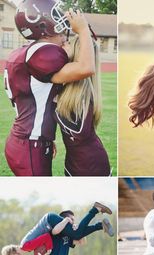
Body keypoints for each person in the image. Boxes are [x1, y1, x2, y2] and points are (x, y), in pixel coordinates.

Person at [4, 0, 95, 176]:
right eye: (55, 17)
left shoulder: (24, 52)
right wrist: (83, 30)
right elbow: (86, 68)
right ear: (42, 25)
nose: (63, 32)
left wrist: (45, 136)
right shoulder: (42, 52)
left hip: (24, 140)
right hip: (30, 143)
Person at [56, 36, 111, 176]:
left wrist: (54, 108)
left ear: (76, 51)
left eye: (68, 43)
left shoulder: (85, 90)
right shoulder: (67, 84)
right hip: (72, 161)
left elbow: (80, 132)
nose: (64, 43)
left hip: (91, 164)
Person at [1, 202, 114, 255]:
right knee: (77, 234)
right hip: (50, 223)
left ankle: (95, 209)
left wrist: (49, 248)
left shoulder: (25, 246)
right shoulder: (26, 247)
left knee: (77, 233)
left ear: (14, 251)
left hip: (50, 221)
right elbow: (44, 238)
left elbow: (45, 237)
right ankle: (100, 225)